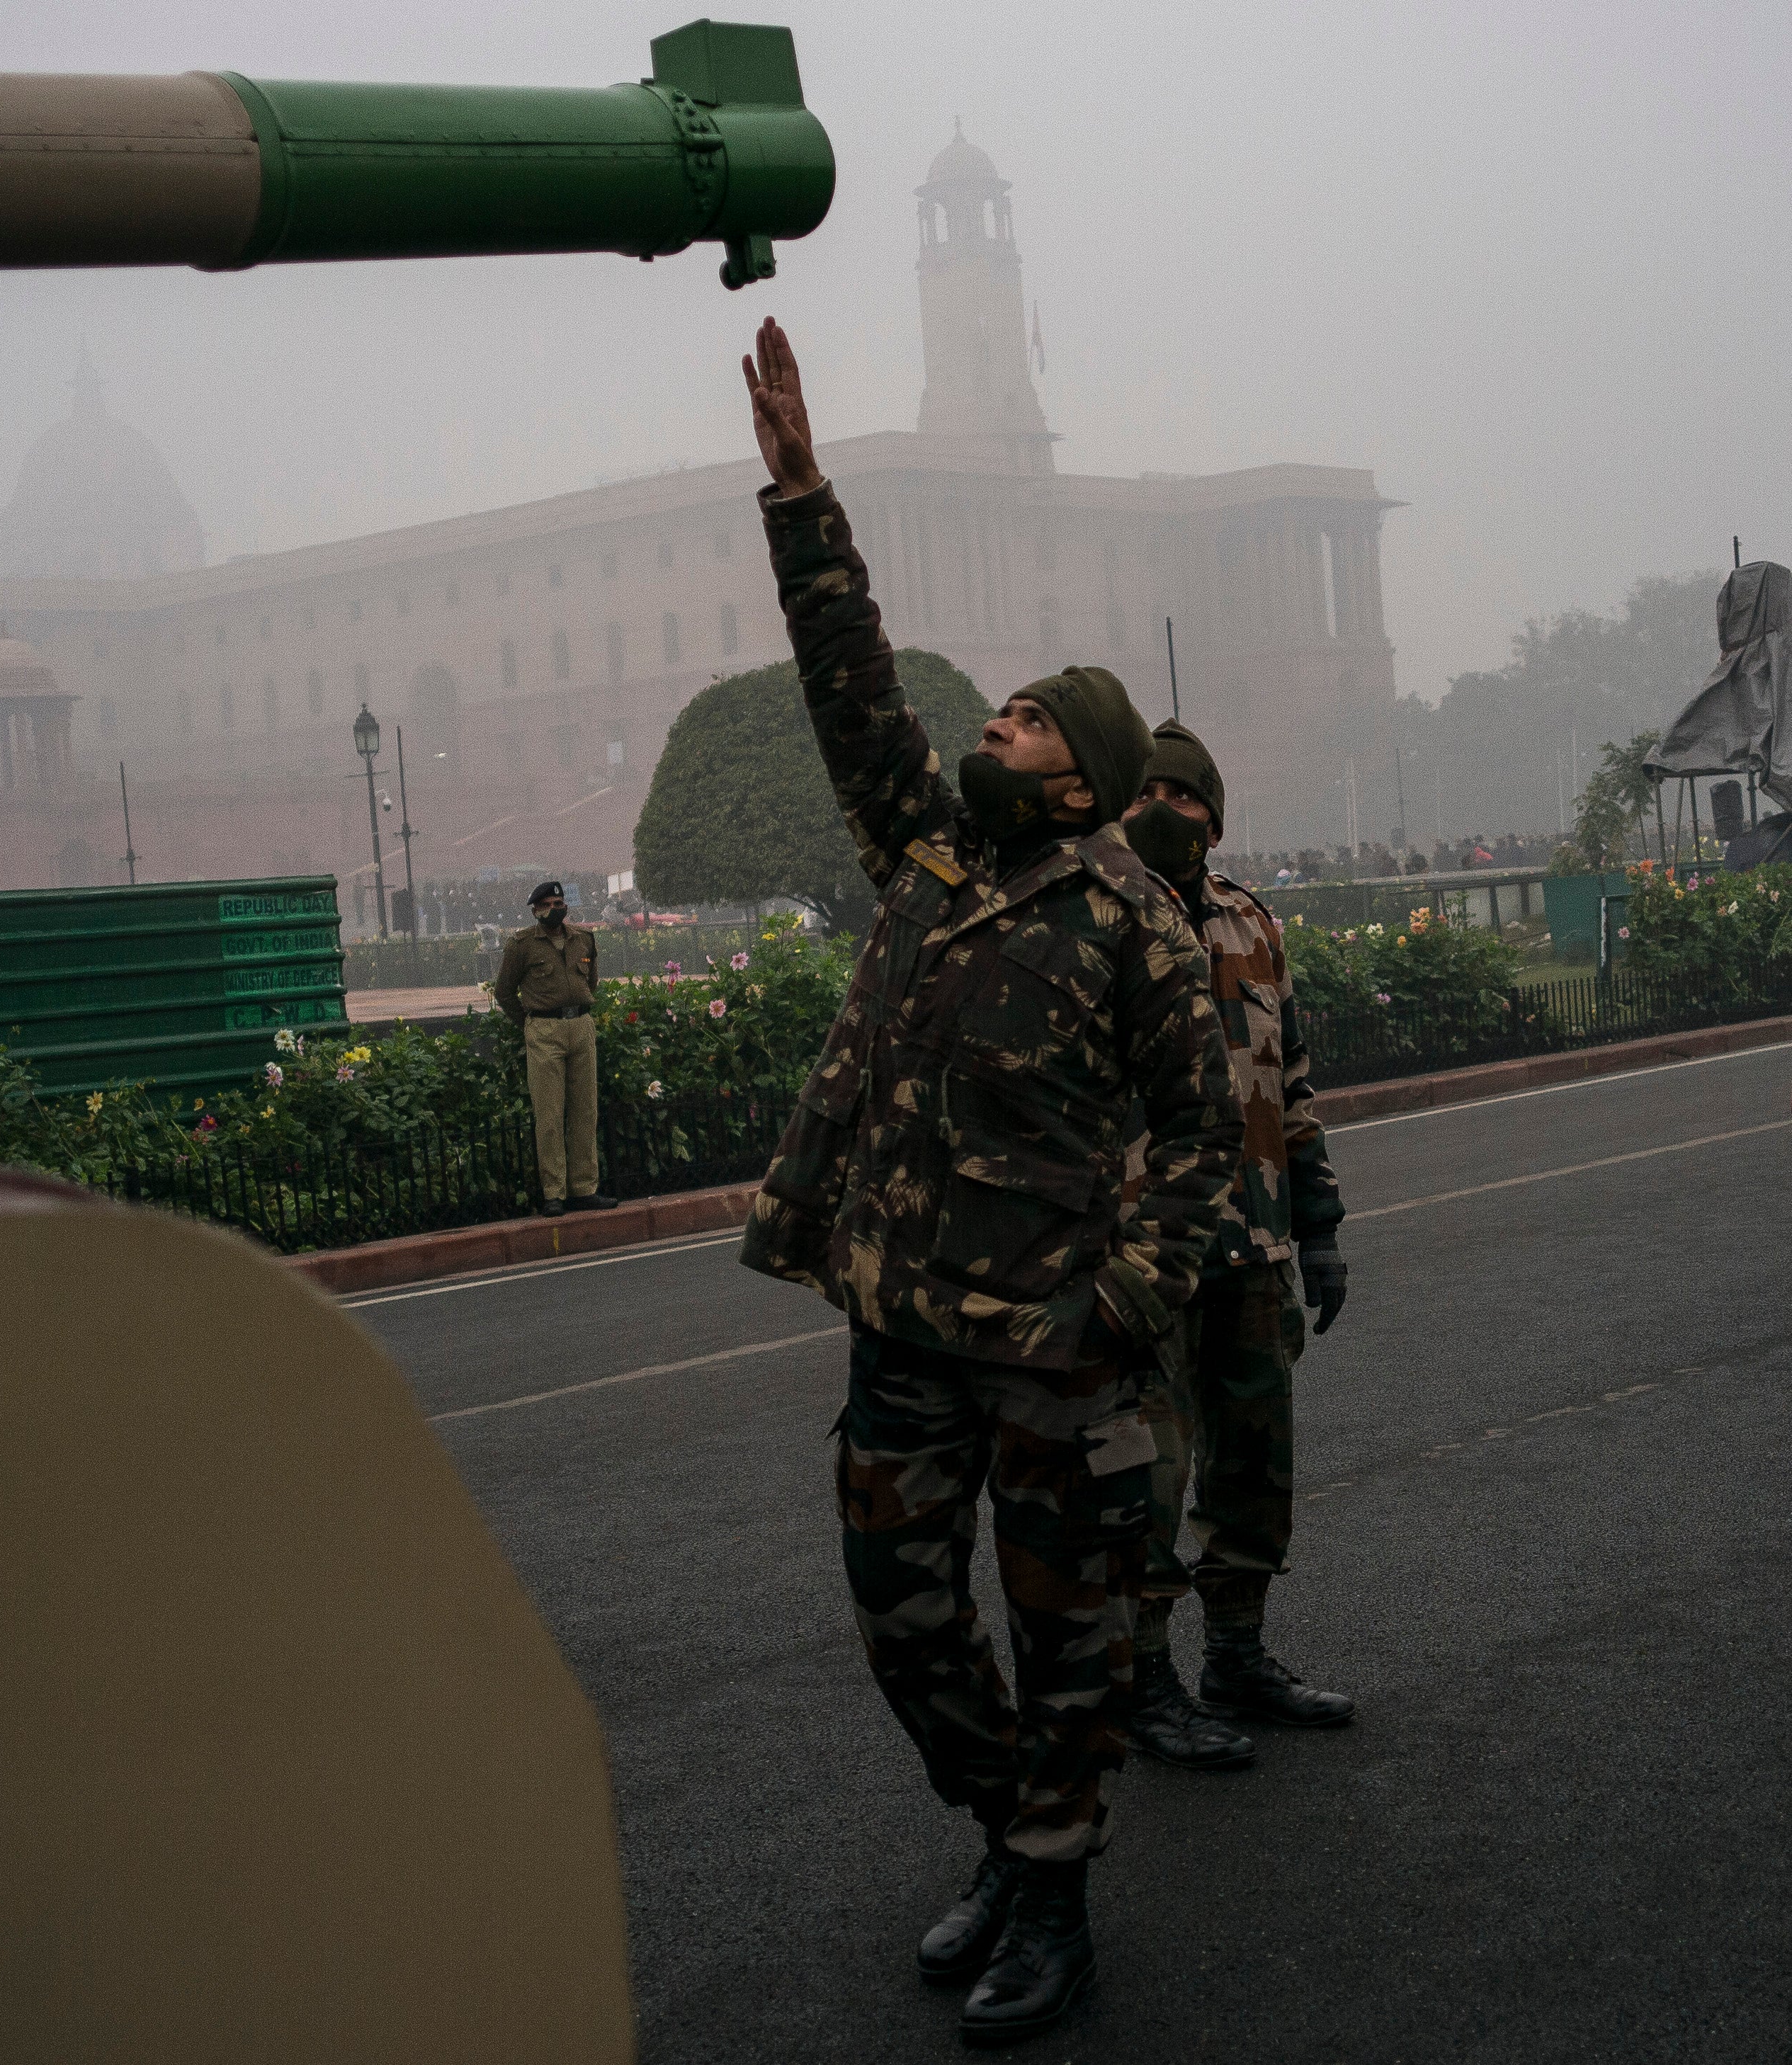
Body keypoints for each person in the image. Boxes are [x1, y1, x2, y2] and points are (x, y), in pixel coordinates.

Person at [732, 319, 1241, 2046]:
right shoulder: (923, 853)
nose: (993, 720)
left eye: (1023, 717)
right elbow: (850, 685)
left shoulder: (1131, 927)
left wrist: (1123, 1298)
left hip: (1050, 1345)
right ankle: (1008, 1831)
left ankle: (1051, 1889)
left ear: (1079, 774)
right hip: (902, 1325)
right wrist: (801, 494)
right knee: (902, 1628)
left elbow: (1200, 1142)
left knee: (1068, 1641)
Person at [1117, 724, 1356, 1773]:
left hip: (1252, 1248)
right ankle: (1142, 1682)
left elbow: (1289, 1085)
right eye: (1146, 791)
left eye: (1183, 794)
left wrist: (1321, 1228)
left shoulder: (1250, 922)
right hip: (1138, 1264)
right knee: (1140, 1481)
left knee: (1253, 1469)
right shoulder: (1096, 924)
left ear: (1214, 815)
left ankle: (1236, 1656)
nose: (1163, 808)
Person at [491, 880, 616, 1217]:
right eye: (547, 904)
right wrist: (530, 1023)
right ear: (535, 910)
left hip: (581, 1026)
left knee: (585, 1111)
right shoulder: (522, 944)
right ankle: (554, 1193)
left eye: (558, 902)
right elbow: (504, 992)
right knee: (549, 1115)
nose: (555, 909)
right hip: (544, 1029)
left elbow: (591, 983)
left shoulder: (584, 938)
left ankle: (584, 1189)